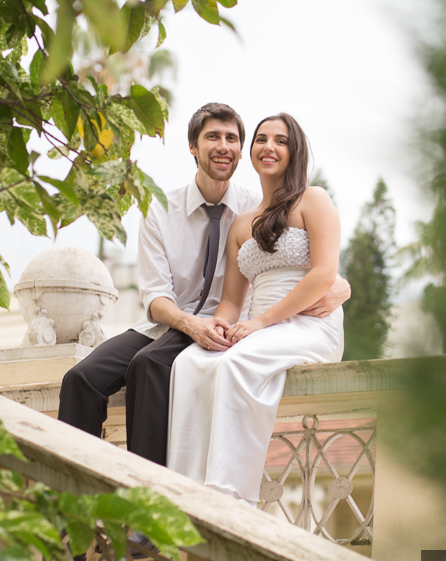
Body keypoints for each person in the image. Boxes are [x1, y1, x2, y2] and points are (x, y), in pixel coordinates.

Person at [57, 104, 350, 467]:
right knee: (80, 379)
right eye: (212, 137)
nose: (223, 146)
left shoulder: (256, 208)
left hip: (228, 322)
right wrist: (188, 323)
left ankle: (149, 492)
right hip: (171, 322)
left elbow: (308, 263)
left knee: (149, 366)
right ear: (193, 147)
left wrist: (342, 287)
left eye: (232, 139)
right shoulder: (160, 211)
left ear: (242, 152)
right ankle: (70, 501)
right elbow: (155, 297)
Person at [166, 114, 344, 504]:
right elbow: (231, 301)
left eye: (280, 140)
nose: (268, 146)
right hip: (259, 327)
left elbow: (324, 275)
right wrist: (218, 327)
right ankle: (183, 492)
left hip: (308, 324)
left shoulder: (313, 199)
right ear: (251, 153)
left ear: (294, 151)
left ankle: (228, 495)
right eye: (261, 139)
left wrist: (260, 322)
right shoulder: (243, 223)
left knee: (234, 364)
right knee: (191, 363)